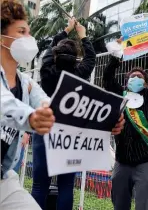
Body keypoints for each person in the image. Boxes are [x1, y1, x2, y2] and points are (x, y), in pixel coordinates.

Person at [31, 18, 124, 210]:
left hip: (44, 130)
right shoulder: (79, 74)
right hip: (70, 136)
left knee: (39, 185)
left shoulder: (46, 72)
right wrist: (82, 35)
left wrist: (66, 30)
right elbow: (91, 58)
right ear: (76, 59)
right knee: (66, 186)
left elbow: (49, 49)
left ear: (55, 56)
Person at [0, 0, 55, 210]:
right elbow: (3, 102)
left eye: (29, 32)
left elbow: (51, 105)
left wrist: (104, 123)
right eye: (21, 32)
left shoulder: (27, 84)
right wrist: (31, 117)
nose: (29, 38)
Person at [103, 38, 148, 210]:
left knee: (144, 207)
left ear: (145, 83)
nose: (135, 78)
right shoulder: (120, 96)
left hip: (146, 162)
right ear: (127, 82)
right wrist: (116, 54)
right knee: (119, 205)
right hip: (122, 163)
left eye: (139, 77)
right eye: (132, 77)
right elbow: (108, 78)